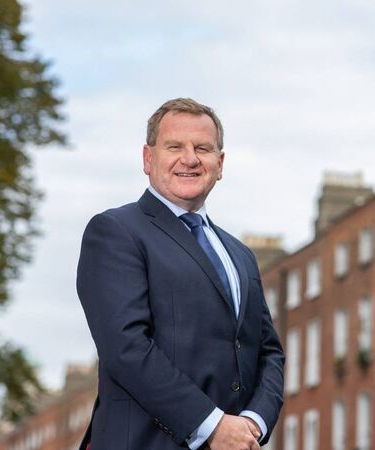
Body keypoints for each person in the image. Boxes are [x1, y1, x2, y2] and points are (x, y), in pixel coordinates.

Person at [76, 98, 284, 450]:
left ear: (220, 164)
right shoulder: (115, 231)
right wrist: (213, 426)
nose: (190, 159)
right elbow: (126, 347)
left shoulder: (240, 255)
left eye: (202, 148)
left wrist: (253, 422)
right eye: (175, 147)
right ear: (148, 158)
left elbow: (268, 352)